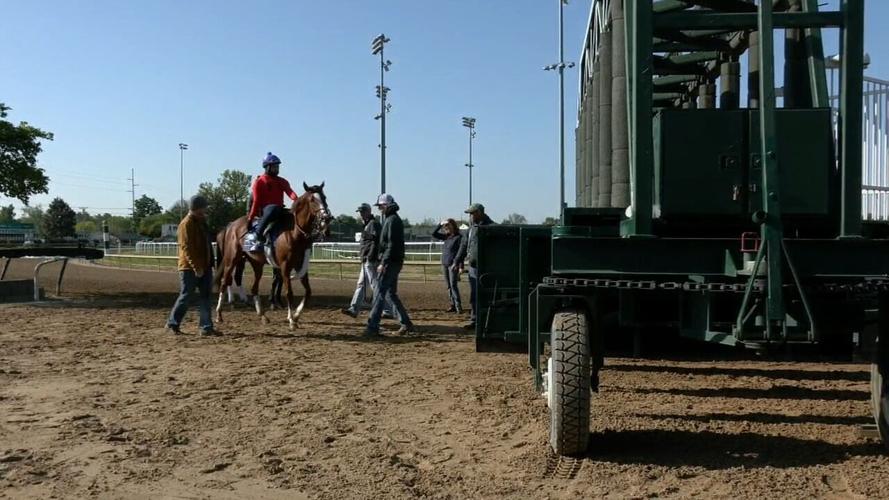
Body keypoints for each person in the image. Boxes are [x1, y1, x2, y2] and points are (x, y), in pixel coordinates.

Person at [166, 195, 219, 336]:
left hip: (205, 266)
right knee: (186, 296)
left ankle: (206, 327)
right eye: (203, 208)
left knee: (206, 297)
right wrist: (196, 268)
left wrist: (209, 264)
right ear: (196, 208)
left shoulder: (201, 222)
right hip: (189, 268)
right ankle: (173, 323)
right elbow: (186, 248)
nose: (205, 210)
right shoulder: (186, 224)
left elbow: (207, 244)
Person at [365, 193, 415, 337]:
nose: (380, 209)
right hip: (394, 261)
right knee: (390, 294)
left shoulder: (391, 220)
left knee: (379, 293)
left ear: (386, 205)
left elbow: (391, 244)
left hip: (390, 262)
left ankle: (372, 326)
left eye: (380, 206)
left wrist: (384, 262)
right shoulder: (392, 219)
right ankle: (406, 323)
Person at [341, 203, 394, 318]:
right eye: (360, 212)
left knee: (375, 285)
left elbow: (376, 241)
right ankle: (354, 309)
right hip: (367, 260)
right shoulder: (369, 224)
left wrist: (369, 256)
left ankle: (387, 310)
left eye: (363, 211)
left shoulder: (373, 224)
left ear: (369, 211)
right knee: (361, 284)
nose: (361, 214)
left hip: (370, 260)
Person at [247, 152, 298, 251]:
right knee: (273, 208)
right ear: (267, 167)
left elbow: (290, 192)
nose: (277, 169)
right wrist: (250, 218)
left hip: (279, 210)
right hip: (266, 210)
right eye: (274, 167)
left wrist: (297, 200)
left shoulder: (282, 181)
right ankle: (258, 235)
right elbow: (256, 201)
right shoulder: (259, 182)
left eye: (278, 167)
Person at [455, 203, 494, 330]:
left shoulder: (491, 227)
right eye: (470, 214)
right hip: (473, 267)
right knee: (474, 294)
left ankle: (485, 320)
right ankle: (475, 319)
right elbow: (464, 245)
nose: (470, 216)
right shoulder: (471, 228)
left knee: (484, 294)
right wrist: (457, 260)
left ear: (479, 212)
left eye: (472, 213)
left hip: (486, 267)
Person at [432, 218, 463, 313]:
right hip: (445, 264)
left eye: (448, 225)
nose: (447, 227)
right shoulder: (446, 237)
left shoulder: (459, 237)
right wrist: (440, 224)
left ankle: (458, 306)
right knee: (448, 286)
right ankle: (452, 304)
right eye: (446, 226)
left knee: (453, 285)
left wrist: (460, 266)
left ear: (453, 225)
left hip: (453, 264)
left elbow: (460, 252)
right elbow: (434, 233)